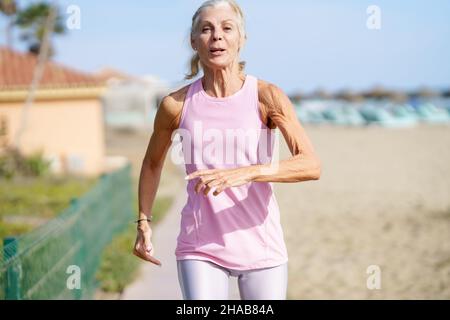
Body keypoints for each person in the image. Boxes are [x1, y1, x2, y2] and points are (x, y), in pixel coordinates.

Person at [133, 0, 321, 300]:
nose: (216, 36)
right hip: (200, 245)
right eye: (206, 29)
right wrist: (143, 221)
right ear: (194, 42)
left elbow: (310, 164)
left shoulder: (266, 97)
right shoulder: (175, 105)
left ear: (241, 39)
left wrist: (246, 173)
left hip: (261, 245)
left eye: (226, 28)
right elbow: (152, 164)